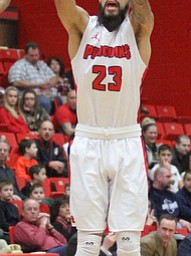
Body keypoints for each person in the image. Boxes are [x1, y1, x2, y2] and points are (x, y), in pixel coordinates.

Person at [54, 0, 154, 255]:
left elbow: (145, 14)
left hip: (127, 138)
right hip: (89, 136)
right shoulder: (82, 26)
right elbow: (63, 5)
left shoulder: (137, 29)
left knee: (130, 241)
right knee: (87, 240)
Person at [8, 41, 63, 114]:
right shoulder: (19, 65)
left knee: (60, 100)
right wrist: (38, 85)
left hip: (48, 93)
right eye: (32, 55)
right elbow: (16, 82)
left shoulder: (42, 64)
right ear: (26, 55)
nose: (34, 58)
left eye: (36, 55)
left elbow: (54, 77)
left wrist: (48, 84)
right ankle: (43, 124)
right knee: (45, 102)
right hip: (31, 95)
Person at [149, 166, 191, 232]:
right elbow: (157, 216)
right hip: (164, 231)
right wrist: (178, 221)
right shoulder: (151, 196)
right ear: (159, 177)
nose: (171, 179)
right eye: (168, 177)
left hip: (180, 231)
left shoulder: (172, 195)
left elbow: (184, 212)